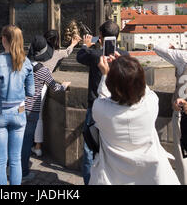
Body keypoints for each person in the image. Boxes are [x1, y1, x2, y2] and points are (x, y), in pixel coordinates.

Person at [89, 54, 179, 185]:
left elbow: (102, 96)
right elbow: (144, 89)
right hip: (153, 176)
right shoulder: (151, 103)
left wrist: (105, 74)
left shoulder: (100, 109)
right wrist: (130, 68)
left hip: (112, 177)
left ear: (111, 84)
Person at [0, 25, 35, 185]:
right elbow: (30, 91)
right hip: (19, 112)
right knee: (16, 159)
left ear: (4, 39)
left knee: (0, 160)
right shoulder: (26, 62)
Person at [76, 20, 124, 184]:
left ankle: (89, 181)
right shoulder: (124, 56)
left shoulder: (95, 55)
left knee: (89, 148)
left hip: (95, 108)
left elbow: (79, 56)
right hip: (118, 108)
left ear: (101, 37)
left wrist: (86, 44)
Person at [21, 35, 71, 182]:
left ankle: (11, 167)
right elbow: (55, 87)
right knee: (25, 142)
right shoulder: (43, 70)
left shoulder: (22, 63)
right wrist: (64, 86)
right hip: (32, 110)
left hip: (17, 108)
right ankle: (22, 172)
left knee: (16, 140)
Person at [31, 30, 81, 157]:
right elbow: (67, 52)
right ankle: (37, 146)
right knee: (38, 116)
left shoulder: (34, 52)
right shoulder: (56, 53)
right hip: (42, 86)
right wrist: (73, 44)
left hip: (28, 83)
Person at [153, 41, 187, 184]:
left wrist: (171, 46)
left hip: (182, 114)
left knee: (183, 159)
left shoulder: (183, 56)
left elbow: (157, 47)